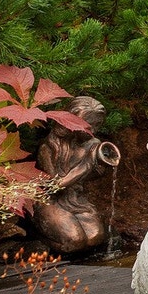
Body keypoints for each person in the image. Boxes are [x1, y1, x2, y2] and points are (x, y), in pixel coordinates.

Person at [33, 96, 120, 255]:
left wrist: (96, 171)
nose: (92, 131)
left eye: (96, 125)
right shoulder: (49, 147)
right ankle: (39, 243)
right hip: (50, 201)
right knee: (75, 240)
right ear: (70, 121)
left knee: (96, 236)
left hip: (75, 200)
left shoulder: (92, 144)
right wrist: (85, 167)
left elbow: (88, 177)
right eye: (87, 126)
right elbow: (54, 187)